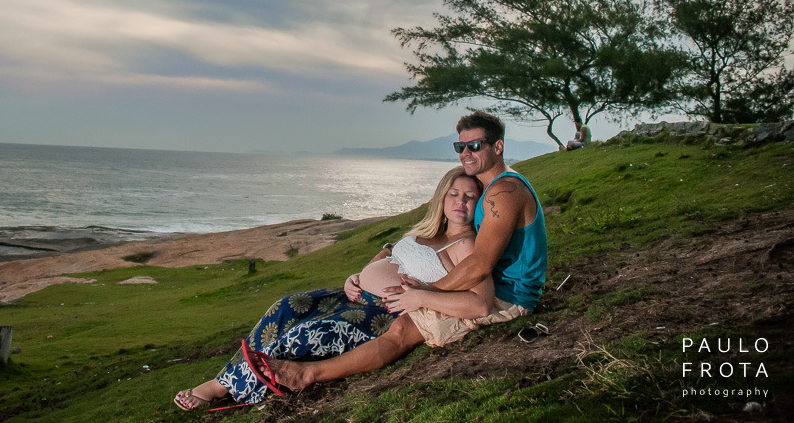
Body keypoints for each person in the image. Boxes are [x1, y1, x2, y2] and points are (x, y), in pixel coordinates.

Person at [254, 110, 548, 395]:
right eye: (460, 146)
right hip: (490, 287)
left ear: (498, 147)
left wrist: (427, 292)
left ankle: (304, 374)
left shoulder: (503, 192)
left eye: (475, 145)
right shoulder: (494, 187)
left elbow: (480, 264)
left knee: (401, 331)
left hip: (508, 297)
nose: (466, 153)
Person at [173, 166, 493, 410]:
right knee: (287, 305)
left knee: (306, 334)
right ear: (442, 195)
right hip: (352, 293)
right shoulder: (429, 230)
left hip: (382, 312)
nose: (460, 201)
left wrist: (421, 295)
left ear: (478, 204)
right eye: (454, 193)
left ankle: (231, 390)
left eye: (469, 196)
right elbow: (389, 252)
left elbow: (480, 304)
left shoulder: (468, 245)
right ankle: (227, 379)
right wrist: (357, 274)